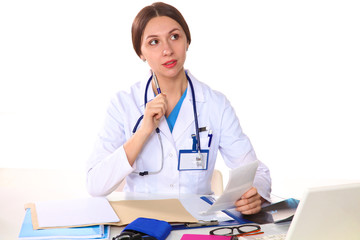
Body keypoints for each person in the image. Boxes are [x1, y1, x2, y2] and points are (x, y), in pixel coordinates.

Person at [86, 2, 271, 215]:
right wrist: (143, 131)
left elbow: (254, 170)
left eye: (175, 37)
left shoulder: (215, 104)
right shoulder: (123, 105)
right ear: (141, 53)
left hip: (197, 222)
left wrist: (256, 193)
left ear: (187, 41)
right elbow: (95, 184)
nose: (167, 50)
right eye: (154, 42)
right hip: (140, 225)